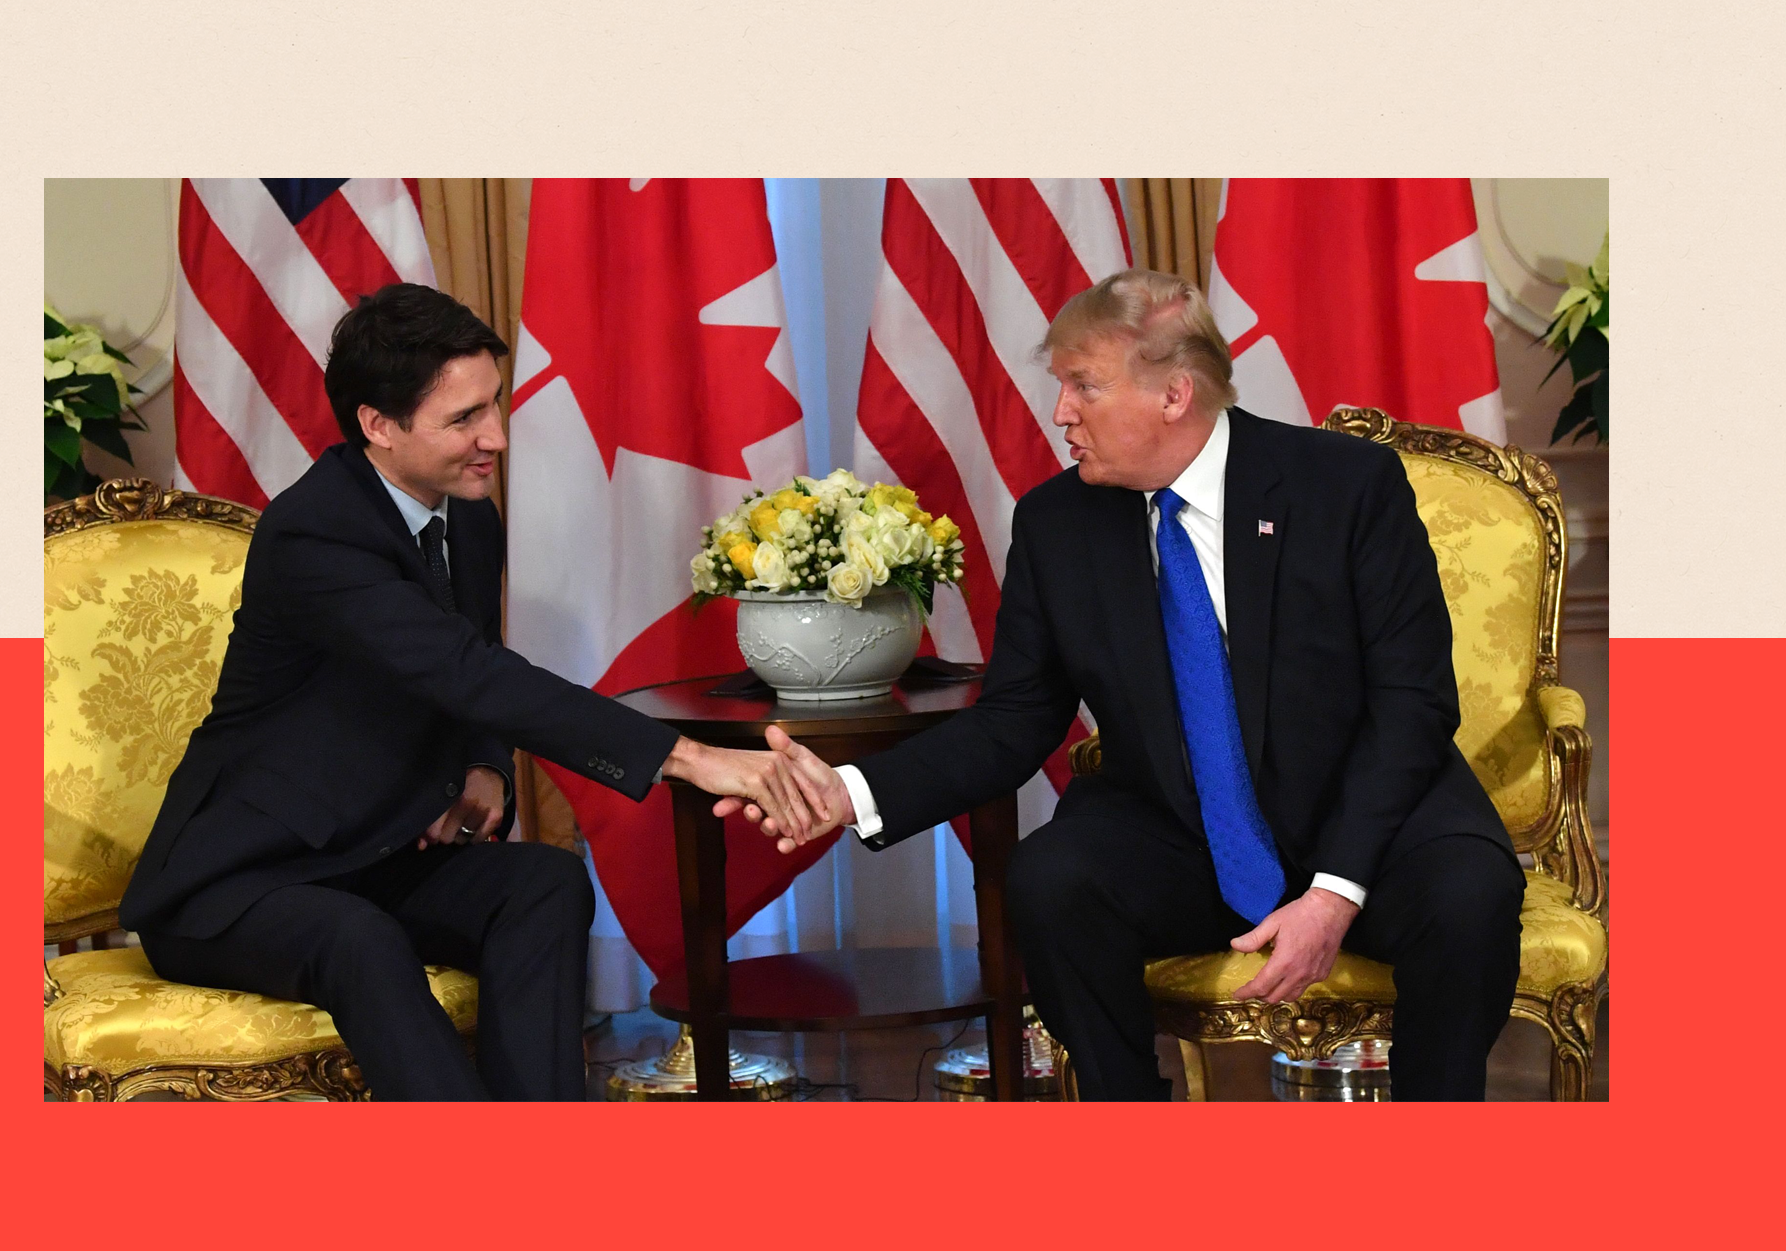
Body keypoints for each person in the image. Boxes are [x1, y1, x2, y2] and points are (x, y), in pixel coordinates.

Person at [734, 267, 1525, 1100]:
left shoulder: (1344, 486)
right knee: (1053, 884)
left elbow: (1414, 703)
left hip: (1370, 817)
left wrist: (1334, 893)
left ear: (1175, 395)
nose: (1062, 412)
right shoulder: (1057, 523)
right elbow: (1015, 719)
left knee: (1469, 896)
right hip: (1182, 832)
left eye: (1084, 386)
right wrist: (850, 792)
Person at [120, 283, 824, 1101]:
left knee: (545, 886)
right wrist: (689, 758)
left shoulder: (465, 511)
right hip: (239, 883)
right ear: (379, 426)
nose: (494, 438)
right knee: (360, 940)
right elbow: (465, 672)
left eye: (494, 405)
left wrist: (484, 765)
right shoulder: (315, 532)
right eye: (463, 420)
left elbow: (473, 659)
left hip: (374, 853)